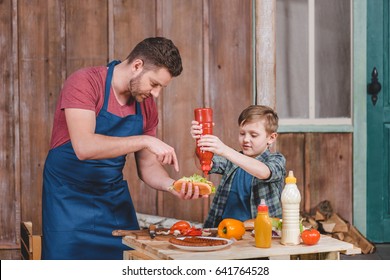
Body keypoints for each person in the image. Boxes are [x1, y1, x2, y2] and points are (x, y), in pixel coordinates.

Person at [42, 37, 203, 260]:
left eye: (161, 88)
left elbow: (147, 166)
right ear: (137, 65)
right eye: (154, 84)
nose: (156, 94)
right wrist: (144, 140)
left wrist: (172, 185)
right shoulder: (85, 82)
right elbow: (84, 147)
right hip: (67, 201)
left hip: (112, 201)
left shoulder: (146, 105)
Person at [190, 105, 286, 228]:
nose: (246, 139)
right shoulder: (232, 160)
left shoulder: (276, 159)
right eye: (242, 133)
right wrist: (199, 140)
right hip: (224, 229)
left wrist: (224, 150)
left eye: (254, 135)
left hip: (259, 234)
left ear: (271, 138)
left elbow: (264, 172)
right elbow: (203, 164)